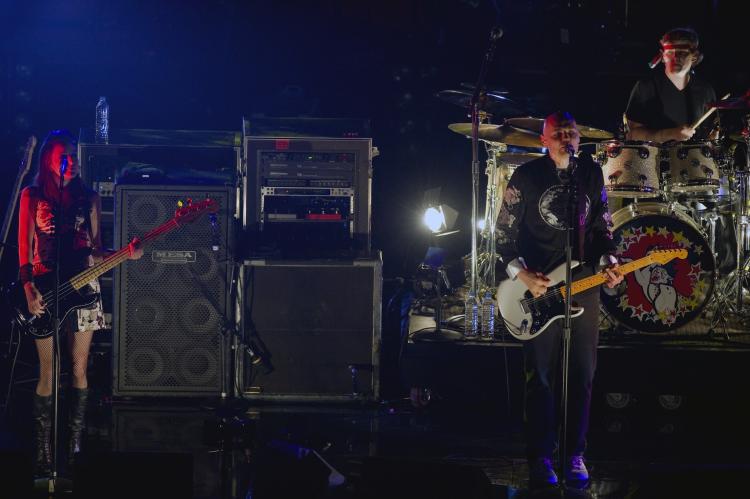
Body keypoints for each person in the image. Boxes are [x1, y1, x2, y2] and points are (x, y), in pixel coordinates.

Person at [495, 112, 623, 486]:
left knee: (583, 373)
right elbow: (502, 234)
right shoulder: (526, 178)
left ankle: (574, 453)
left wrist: (610, 260)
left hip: (583, 283)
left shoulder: (591, 174)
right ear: (545, 141)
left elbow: (603, 228)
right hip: (538, 284)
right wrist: (522, 274)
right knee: (542, 377)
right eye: (559, 133)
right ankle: (540, 457)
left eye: (572, 132)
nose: (567, 137)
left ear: (580, 139)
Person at [18, 130, 143, 475]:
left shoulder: (88, 198)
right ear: (48, 158)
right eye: (64, 155)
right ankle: (43, 450)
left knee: (78, 366)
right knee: (48, 369)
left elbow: (97, 248)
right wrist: (28, 289)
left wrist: (125, 255)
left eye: (73, 155)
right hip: (46, 288)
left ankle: (73, 444)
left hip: (85, 286)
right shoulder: (32, 195)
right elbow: (23, 251)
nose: (71, 161)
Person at [625, 27, 717, 143]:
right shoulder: (645, 87)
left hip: (694, 160)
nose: (675, 57)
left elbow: (712, 134)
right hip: (654, 159)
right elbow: (633, 134)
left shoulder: (706, 90)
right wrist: (670, 134)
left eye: (682, 53)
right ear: (662, 56)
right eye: (670, 52)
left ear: (694, 56)